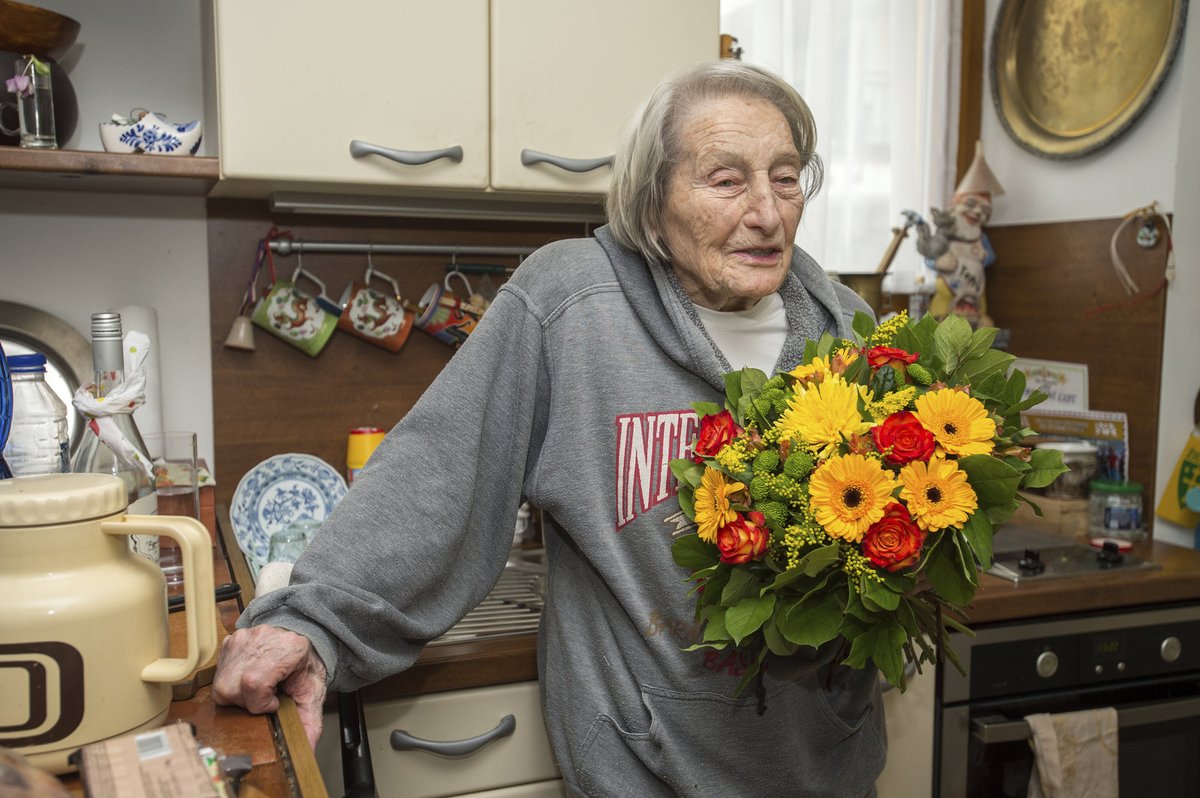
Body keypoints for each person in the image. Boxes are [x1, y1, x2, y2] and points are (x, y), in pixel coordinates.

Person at [213, 60, 884, 797]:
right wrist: (310, 625)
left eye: (785, 178)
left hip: (826, 757)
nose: (767, 211)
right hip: (646, 764)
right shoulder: (571, 305)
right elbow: (440, 474)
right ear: (652, 198)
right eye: (726, 180)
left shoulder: (846, 327)